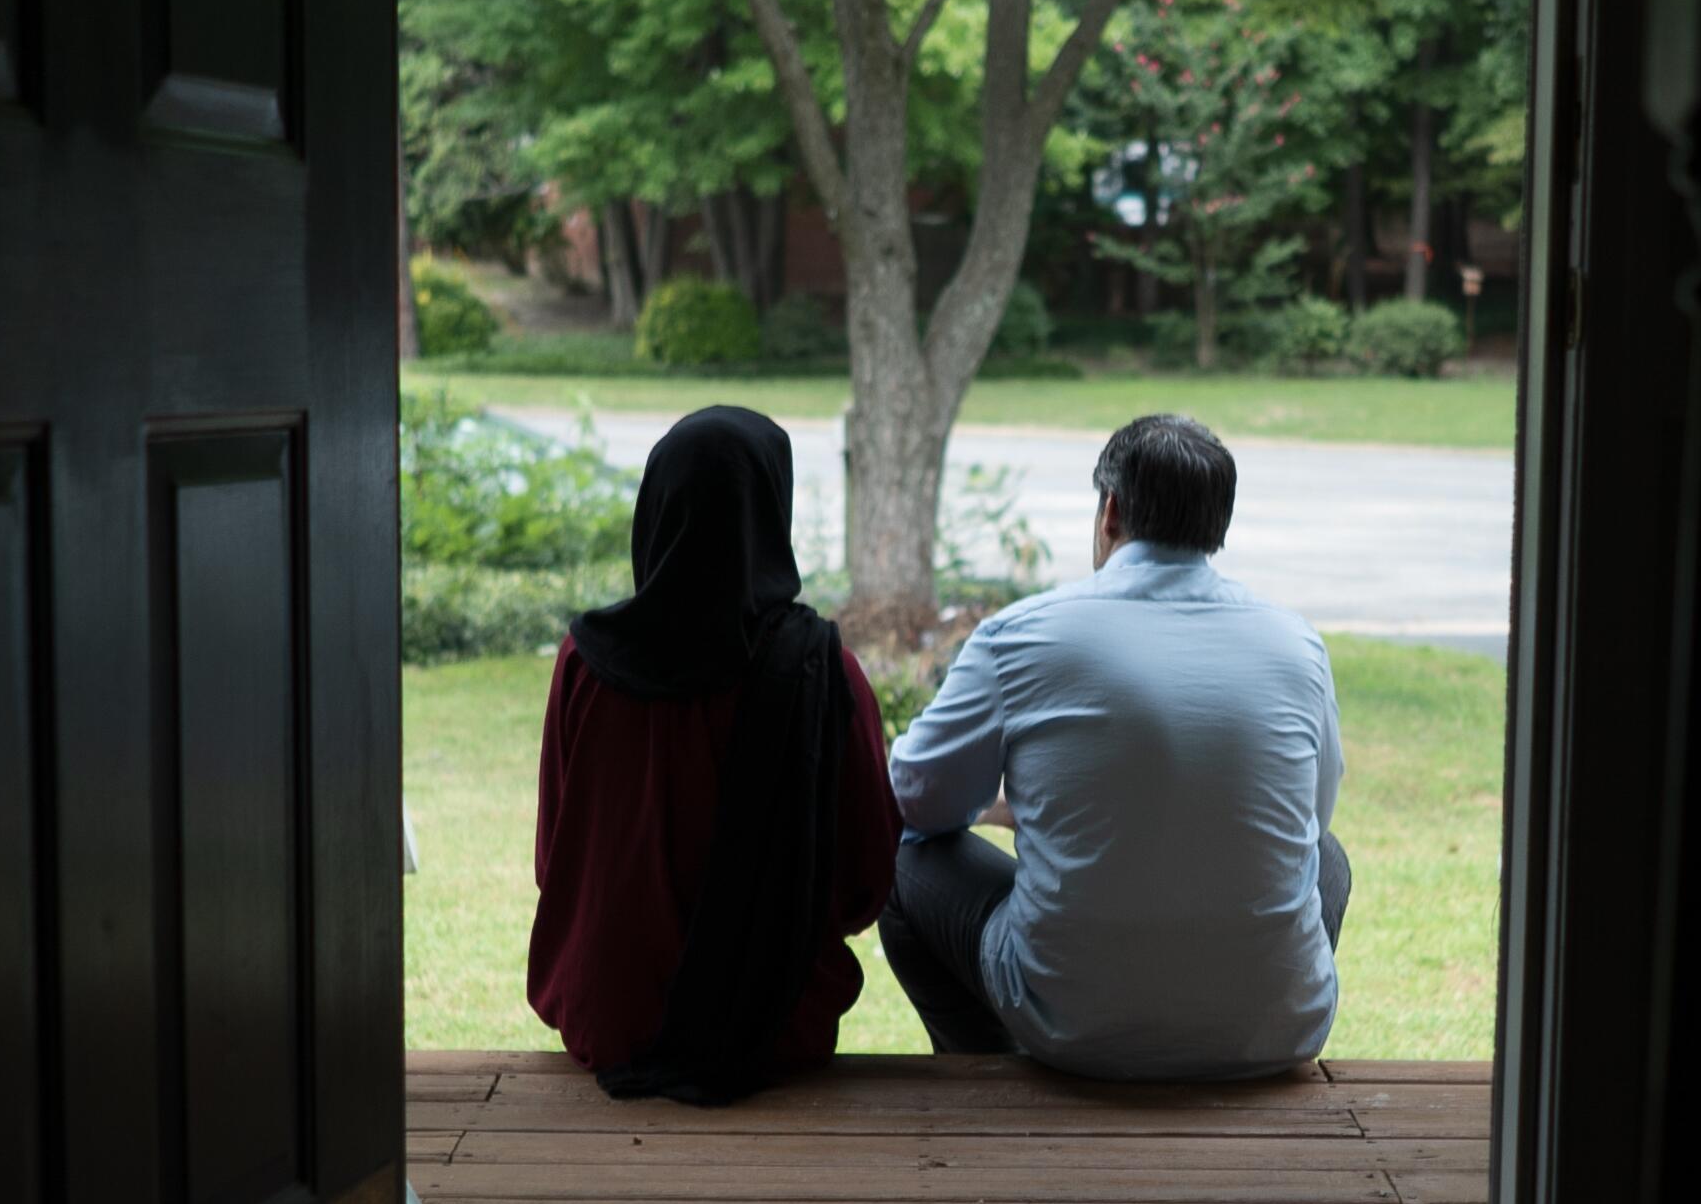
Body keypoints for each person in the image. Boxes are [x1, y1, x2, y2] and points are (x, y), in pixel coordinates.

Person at [878, 413, 1350, 1080]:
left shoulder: (1022, 635)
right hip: (1278, 1033)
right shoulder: (1296, 643)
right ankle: (1245, 1007)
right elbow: (1312, 817)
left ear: (1111, 511)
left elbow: (914, 800)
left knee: (907, 866)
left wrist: (1002, 807)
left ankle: (978, 1071)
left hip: (1073, 1024)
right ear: (1219, 525)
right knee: (1326, 858)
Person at [526, 406, 898, 1101]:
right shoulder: (823, 673)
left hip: (608, 1018)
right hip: (773, 1030)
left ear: (657, 509)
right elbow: (864, 885)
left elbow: (554, 860)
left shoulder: (584, 664)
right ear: (770, 512)